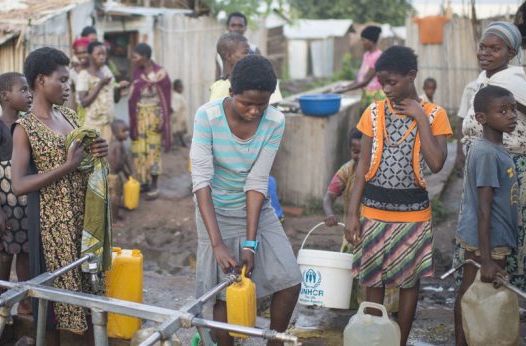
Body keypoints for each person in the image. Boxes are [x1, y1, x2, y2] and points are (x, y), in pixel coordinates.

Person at [345, 46, 452, 346]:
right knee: (373, 281)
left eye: (393, 82)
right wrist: (353, 214)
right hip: (374, 212)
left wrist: (420, 117)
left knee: (409, 282)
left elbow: (436, 163)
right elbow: (363, 165)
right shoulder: (374, 112)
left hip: (414, 215)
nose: (387, 89)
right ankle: (374, 338)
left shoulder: (435, 115)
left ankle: (400, 340)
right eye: (383, 83)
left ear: (411, 76)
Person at [192, 55, 301, 346]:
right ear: (231, 93)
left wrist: (251, 244)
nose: (254, 111)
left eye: (262, 104)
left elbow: (257, 181)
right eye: (246, 103)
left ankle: (274, 342)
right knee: (224, 292)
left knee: (290, 281)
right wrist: (217, 243)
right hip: (213, 211)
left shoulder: (275, 121)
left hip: (256, 210)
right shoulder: (207, 116)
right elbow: (201, 180)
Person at [11, 47, 108, 343]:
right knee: (55, 308)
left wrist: (99, 151)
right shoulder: (25, 127)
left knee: (91, 295)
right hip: (53, 228)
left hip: (82, 223)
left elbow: (84, 161)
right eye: (62, 80)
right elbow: (19, 184)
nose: (68, 87)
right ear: (41, 80)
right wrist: (66, 167)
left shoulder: (68, 115)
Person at [453, 22, 526, 290]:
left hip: (511, 171)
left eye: (494, 49)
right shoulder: (482, 81)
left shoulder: (512, 83)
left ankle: (494, 301)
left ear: (511, 53)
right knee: (481, 229)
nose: (485, 53)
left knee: (497, 234)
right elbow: (465, 121)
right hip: (485, 164)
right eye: (482, 47)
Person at [453, 85, 519, 345]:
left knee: (477, 295)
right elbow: (484, 208)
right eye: (502, 111)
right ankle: (464, 341)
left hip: (495, 239)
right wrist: (487, 259)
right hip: (486, 243)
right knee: (472, 295)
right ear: (481, 118)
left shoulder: (496, 149)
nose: (511, 115)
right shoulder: (487, 153)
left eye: (513, 109)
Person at [323, 129, 399, 311]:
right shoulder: (347, 169)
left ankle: (385, 316)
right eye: (354, 151)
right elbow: (328, 197)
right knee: (352, 284)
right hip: (353, 237)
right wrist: (329, 213)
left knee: (382, 279)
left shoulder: (382, 170)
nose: (357, 155)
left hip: (379, 233)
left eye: (362, 151)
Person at [0, 72, 33, 315]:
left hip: (26, 202)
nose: (29, 94)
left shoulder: (29, 125)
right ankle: (2, 301)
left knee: (25, 251)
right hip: (5, 202)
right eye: (22, 90)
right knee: (5, 254)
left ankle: (25, 302)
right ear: (4, 96)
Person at [128, 43, 171, 199]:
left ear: (145, 57)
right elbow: (134, 95)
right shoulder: (136, 73)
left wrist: (162, 119)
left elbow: (165, 98)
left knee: (153, 150)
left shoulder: (160, 73)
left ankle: (154, 185)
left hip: (154, 116)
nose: (133, 59)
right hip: (140, 117)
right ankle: (144, 182)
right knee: (140, 150)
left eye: (136, 56)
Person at [77, 41, 130, 140]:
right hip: (93, 126)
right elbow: (83, 102)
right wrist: (100, 84)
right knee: (94, 154)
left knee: (108, 154)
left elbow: (115, 100)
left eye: (104, 54)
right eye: (98, 54)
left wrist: (118, 89)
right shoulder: (84, 75)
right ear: (90, 56)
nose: (102, 57)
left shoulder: (106, 71)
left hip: (108, 125)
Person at [336, 26, 385, 109]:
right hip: (367, 94)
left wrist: (345, 90)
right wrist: (345, 87)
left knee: (373, 121)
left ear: (371, 41)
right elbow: (360, 79)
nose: (361, 43)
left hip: (375, 96)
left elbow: (366, 81)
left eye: (363, 40)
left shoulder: (377, 56)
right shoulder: (367, 55)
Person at [215, 12, 260, 79]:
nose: (236, 29)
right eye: (233, 25)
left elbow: (260, 74)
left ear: (245, 28)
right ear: (228, 27)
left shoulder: (254, 50)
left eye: (240, 26)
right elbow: (218, 76)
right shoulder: (222, 51)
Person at [210, 33, 250, 101]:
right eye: (245, 53)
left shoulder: (243, 81)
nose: (249, 56)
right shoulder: (221, 89)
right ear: (228, 56)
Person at [107, 119, 132, 226]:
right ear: (116, 133)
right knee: (115, 198)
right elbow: (119, 163)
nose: (127, 133)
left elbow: (125, 159)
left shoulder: (119, 143)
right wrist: (127, 173)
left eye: (127, 130)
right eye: (124, 131)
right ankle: (114, 221)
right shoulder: (116, 145)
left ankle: (115, 215)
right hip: (112, 176)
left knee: (116, 196)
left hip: (113, 175)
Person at [171, 79, 189, 148]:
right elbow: (174, 107)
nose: (181, 88)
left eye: (181, 86)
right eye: (179, 87)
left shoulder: (178, 95)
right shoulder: (176, 96)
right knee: (179, 131)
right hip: (178, 117)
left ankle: (178, 143)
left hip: (180, 116)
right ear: (175, 88)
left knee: (179, 132)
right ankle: (182, 143)